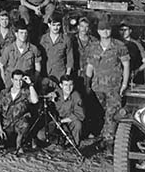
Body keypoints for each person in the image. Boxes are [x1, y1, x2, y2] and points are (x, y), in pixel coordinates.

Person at [85, 20, 130, 152]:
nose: (106, 32)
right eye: (103, 29)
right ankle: (104, 138)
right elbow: (90, 66)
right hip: (97, 87)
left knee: (112, 113)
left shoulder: (119, 46)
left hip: (114, 87)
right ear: (98, 31)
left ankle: (110, 142)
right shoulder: (93, 47)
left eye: (108, 29)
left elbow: (126, 66)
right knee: (101, 114)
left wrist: (124, 84)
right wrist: (87, 84)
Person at [0, 70, 39, 154]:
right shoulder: (4, 92)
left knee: (25, 124)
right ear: (12, 80)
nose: (19, 82)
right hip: (7, 124)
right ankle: (11, 143)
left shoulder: (26, 92)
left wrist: (30, 84)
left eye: (21, 80)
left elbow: (35, 100)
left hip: (20, 124)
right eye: (16, 80)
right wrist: (0, 129)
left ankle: (19, 145)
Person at [0, 22, 42, 88]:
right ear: (16, 34)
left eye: (25, 33)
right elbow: (1, 66)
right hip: (11, 85)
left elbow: (37, 67)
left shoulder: (33, 49)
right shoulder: (9, 49)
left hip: (26, 84)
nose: (23, 35)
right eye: (21, 33)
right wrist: (5, 81)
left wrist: (33, 81)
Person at [46, 75, 84, 147]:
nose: (68, 88)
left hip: (68, 122)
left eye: (71, 85)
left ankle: (73, 144)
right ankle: (58, 141)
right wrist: (50, 97)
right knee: (41, 135)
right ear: (61, 85)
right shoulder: (57, 93)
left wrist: (61, 121)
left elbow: (79, 115)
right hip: (55, 121)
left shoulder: (76, 96)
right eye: (66, 85)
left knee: (78, 124)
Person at [39, 15, 74, 81]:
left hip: (60, 73)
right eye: (53, 25)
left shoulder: (66, 39)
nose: (56, 27)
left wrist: (67, 74)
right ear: (49, 25)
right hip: (45, 72)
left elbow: (70, 58)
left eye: (58, 25)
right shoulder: (43, 39)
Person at [75, 17, 98, 92]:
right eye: (82, 26)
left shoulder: (94, 41)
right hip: (75, 72)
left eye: (86, 27)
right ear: (78, 27)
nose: (84, 29)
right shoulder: (72, 39)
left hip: (89, 73)